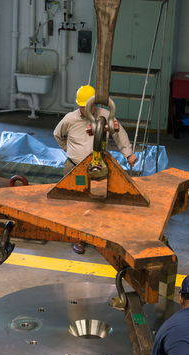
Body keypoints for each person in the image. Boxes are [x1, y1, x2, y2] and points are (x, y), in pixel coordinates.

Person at [53, 84, 138, 254]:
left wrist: (128, 153)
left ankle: (99, 237)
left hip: (99, 168)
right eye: (83, 107)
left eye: (89, 106)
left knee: (99, 204)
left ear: (95, 104)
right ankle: (78, 239)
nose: (86, 109)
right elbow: (58, 135)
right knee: (76, 204)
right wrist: (70, 152)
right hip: (75, 167)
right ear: (79, 106)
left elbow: (118, 133)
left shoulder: (105, 116)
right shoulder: (70, 119)